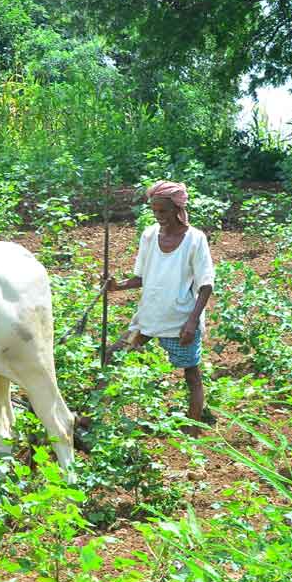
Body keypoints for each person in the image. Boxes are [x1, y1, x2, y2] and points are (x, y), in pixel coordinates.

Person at [89, 180, 215, 433]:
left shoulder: (194, 239)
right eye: (155, 211)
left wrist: (191, 322)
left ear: (178, 209)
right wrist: (117, 286)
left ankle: (194, 425)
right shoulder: (149, 236)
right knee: (113, 355)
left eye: (164, 211)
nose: (159, 217)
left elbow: (206, 285)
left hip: (180, 321)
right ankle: (95, 416)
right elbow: (141, 278)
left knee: (191, 373)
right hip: (148, 318)